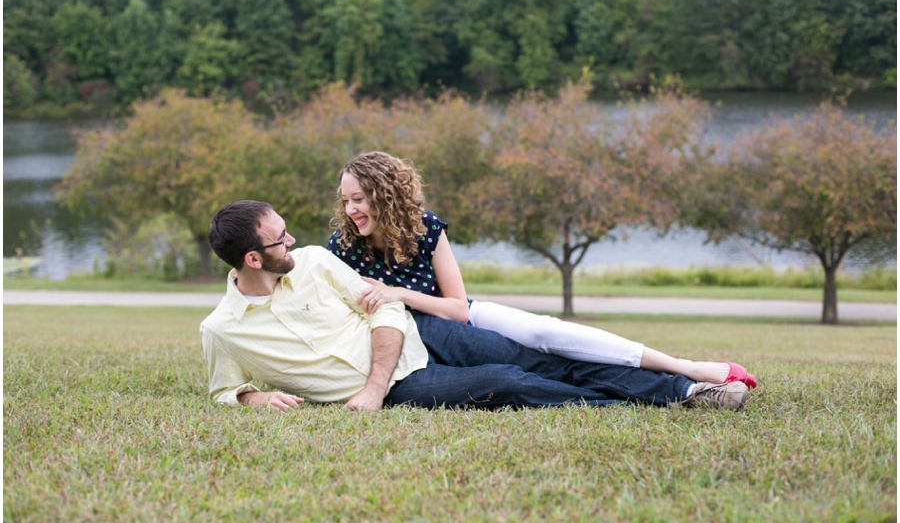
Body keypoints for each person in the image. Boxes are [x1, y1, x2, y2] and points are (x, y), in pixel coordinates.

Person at [200, 200, 750, 412]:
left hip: (419, 339)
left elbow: (387, 310)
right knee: (510, 382)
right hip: (403, 387)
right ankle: (631, 405)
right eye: (279, 240)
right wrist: (256, 398)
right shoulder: (223, 330)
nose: (291, 241)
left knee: (541, 357)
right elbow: (224, 389)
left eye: (288, 231)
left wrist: (369, 387)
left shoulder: (317, 262)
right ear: (252, 258)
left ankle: (686, 389)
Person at [328, 151, 757, 388]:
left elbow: (458, 307)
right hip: (408, 342)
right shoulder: (343, 246)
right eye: (347, 201)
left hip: (459, 317)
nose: (351, 210)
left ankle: (685, 368)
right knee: (524, 368)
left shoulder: (426, 229)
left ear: (385, 196)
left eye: (360, 199)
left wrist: (397, 293)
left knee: (550, 334)